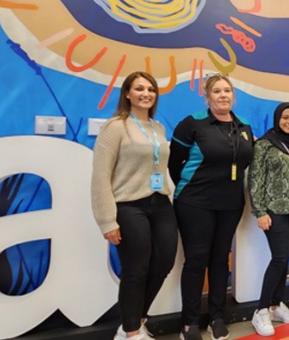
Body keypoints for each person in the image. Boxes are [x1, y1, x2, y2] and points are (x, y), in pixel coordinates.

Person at [91, 71, 177, 340]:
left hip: (160, 203)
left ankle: (136, 319)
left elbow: (160, 168)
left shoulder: (158, 128)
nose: (146, 94)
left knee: (163, 262)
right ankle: (130, 332)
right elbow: (101, 176)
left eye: (151, 89)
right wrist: (107, 220)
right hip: (129, 206)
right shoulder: (116, 126)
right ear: (127, 93)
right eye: (139, 88)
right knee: (136, 269)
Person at [169, 73, 254, 340]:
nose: (223, 95)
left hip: (230, 204)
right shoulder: (192, 124)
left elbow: (246, 162)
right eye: (216, 91)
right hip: (196, 204)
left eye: (227, 91)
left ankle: (217, 316)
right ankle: (189, 323)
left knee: (220, 260)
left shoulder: (244, 126)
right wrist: (194, 190)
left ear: (233, 96)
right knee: (196, 260)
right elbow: (174, 165)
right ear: (207, 96)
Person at [248, 102, 289, 336]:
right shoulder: (264, 144)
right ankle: (261, 310)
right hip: (273, 209)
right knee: (279, 258)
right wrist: (260, 211)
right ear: (276, 119)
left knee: (285, 259)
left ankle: (276, 305)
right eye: (285, 117)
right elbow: (255, 179)